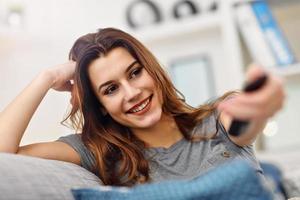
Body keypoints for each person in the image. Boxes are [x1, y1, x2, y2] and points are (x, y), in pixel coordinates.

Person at [0, 28, 285, 186]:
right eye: (111, 89)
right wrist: (46, 78)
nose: (133, 93)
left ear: (151, 69)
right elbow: (3, 155)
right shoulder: (97, 153)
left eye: (135, 72)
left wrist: (259, 104)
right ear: (99, 106)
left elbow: (243, 117)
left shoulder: (217, 120)